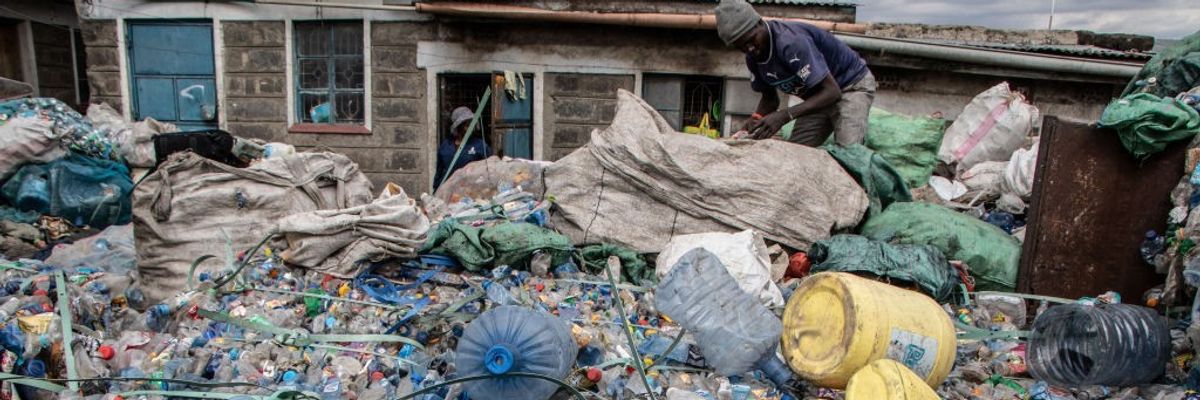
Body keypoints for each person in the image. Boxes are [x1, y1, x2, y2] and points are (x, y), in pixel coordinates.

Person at [716, 0, 876, 147]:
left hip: (851, 86)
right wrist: (756, 119)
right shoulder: (753, 58)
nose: (750, 48)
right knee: (796, 153)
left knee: (849, 153)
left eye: (752, 39)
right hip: (819, 98)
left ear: (759, 23)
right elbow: (770, 99)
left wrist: (784, 116)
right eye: (742, 46)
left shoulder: (791, 42)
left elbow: (832, 92)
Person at [434, 106, 490, 191]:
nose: (468, 128)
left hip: (472, 192)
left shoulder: (480, 146)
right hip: (449, 191)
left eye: (470, 124)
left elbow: (489, 170)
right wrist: (436, 190)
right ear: (458, 126)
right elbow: (439, 172)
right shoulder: (446, 146)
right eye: (465, 125)